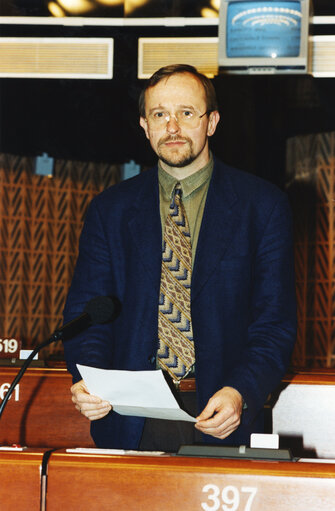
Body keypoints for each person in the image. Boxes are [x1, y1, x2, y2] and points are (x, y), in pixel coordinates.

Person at [63, 64, 296, 451]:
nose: (172, 127)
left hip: (223, 414)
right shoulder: (110, 210)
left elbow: (274, 323)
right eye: (159, 115)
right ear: (144, 125)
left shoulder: (264, 206)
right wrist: (89, 378)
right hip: (129, 414)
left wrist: (241, 391)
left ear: (212, 122)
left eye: (186, 113)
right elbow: (88, 315)